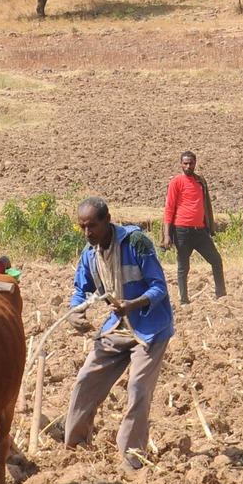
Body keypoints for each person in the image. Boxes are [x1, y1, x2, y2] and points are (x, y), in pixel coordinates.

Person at [65, 197, 174, 469]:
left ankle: (133, 457)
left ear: (107, 219)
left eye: (92, 226)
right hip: (117, 326)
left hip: (149, 329)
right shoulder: (89, 255)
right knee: (86, 380)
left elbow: (159, 287)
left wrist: (133, 304)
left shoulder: (137, 243)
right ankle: (75, 445)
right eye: (83, 227)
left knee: (137, 388)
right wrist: (75, 311)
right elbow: (81, 290)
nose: (87, 233)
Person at [162, 150, 224, 303]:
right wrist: (167, 234)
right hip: (181, 230)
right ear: (181, 164)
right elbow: (169, 208)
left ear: (195, 163)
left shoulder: (200, 181)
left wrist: (209, 226)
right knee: (183, 266)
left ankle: (221, 296)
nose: (188, 166)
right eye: (185, 163)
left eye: (191, 163)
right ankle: (183, 300)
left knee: (216, 260)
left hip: (200, 231)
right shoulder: (176, 182)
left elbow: (206, 205)